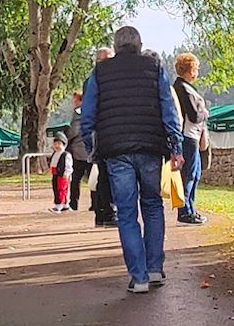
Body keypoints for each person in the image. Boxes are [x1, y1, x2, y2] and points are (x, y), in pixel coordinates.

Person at [81, 26, 183, 293]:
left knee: (126, 213)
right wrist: (176, 146)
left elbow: (88, 114)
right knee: (152, 206)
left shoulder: (100, 72)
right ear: (140, 45)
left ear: (115, 47)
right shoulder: (154, 68)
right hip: (150, 147)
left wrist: (92, 147)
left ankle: (138, 278)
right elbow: (168, 109)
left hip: (116, 151)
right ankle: (154, 268)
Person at [172, 53, 211, 225]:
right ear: (189, 70)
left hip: (193, 135)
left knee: (194, 174)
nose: (197, 71)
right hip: (188, 136)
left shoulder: (186, 87)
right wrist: (205, 112)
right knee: (188, 175)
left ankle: (191, 208)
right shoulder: (182, 88)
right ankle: (185, 211)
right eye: (196, 68)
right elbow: (194, 115)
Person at [87, 47, 117, 227]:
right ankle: (107, 211)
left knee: (104, 174)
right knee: (106, 174)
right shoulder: (95, 80)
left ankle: (102, 212)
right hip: (102, 133)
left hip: (106, 132)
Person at [64, 90, 91, 211]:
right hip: (91, 150)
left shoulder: (78, 113)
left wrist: (66, 138)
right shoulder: (92, 111)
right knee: (93, 179)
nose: (73, 103)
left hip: (79, 151)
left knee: (76, 179)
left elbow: (74, 131)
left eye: (75, 100)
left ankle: (74, 202)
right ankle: (95, 203)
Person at [48, 132, 73, 213]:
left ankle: (59, 205)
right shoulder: (55, 154)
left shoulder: (66, 155)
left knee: (61, 189)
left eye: (59, 143)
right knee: (56, 188)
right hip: (55, 174)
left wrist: (66, 173)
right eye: (55, 144)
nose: (57, 146)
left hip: (62, 175)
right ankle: (65, 205)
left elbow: (68, 166)